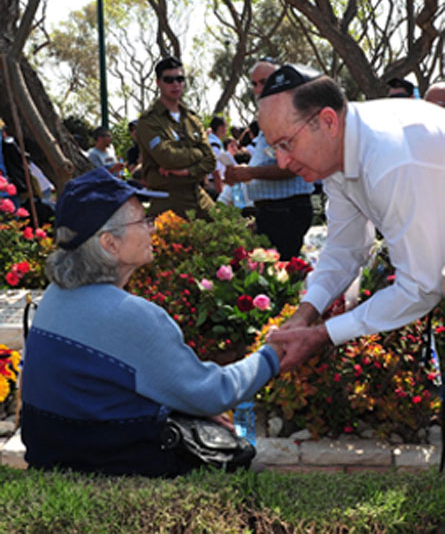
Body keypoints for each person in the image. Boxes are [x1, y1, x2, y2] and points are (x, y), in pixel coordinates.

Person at [20, 167, 285, 477]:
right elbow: (216, 392)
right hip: (117, 466)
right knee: (253, 467)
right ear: (110, 243)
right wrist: (273, 355)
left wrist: (189, 407)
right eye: (143, 221)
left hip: (55, 457)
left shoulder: (54, 296)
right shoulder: (131, 317)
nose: (153, 228)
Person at [256, 63, 445, 370]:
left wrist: (320, 335)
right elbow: (345, 249)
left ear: (328, 121)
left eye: (285, 144)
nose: (282, 162)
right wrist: (303, 315)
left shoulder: (389, 160)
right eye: (273, 149)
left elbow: (419, 287)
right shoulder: (339, 151)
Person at [225, 59, 314, 260]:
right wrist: (244, 172)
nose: (258, 89)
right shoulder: (270, 117)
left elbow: (292, 166)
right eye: (254, 84)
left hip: (287, 210)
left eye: (264, 82)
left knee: (283, 275)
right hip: (272, 211)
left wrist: (250, 173)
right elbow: (267, 162)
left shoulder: (290, 116)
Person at [137, 56, 216, 221]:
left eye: (180, 79)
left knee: (229, 235)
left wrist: (186, 172)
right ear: (158, 82)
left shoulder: (192, 119)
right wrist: (198, 154)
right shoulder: (149, 121)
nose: (175, 84)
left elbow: (210, 160)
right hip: (168, 201)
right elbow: (168, 159)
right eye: (169, 79)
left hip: (198, 196)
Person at [206, 116, 228, 198]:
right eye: (225, 126)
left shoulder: (211, 141)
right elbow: (215, 171)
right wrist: (221, 192)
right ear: (220, 128)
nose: (226, 129)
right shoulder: (214, 145)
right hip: (214, 184)